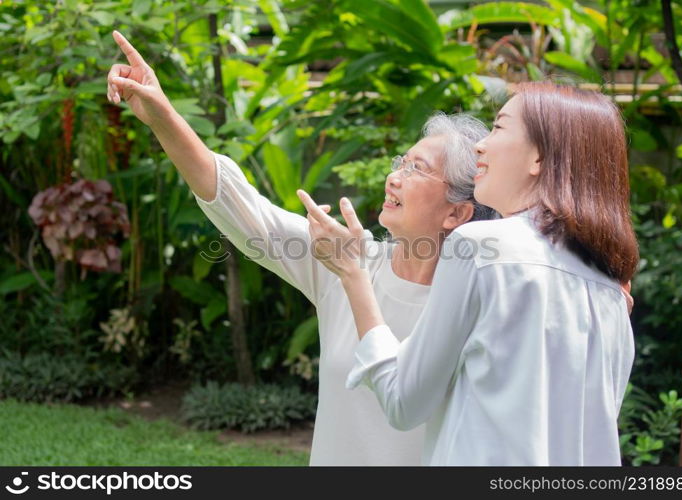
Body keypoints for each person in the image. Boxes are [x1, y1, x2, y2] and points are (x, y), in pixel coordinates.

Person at [105, 30, 496, 465]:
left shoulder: (479, 300)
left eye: (417, 169)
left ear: (457, 214)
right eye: (399, 162)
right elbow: (241, 209)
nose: (395, 177)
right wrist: (160, 114)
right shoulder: (348, 258)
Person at [298, 82, 639, 465]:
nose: (480, 145)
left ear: (538, 159)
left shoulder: (478, 247)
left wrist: (354, 273)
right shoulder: (610, 287)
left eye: (498, 127)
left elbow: (403, 402)